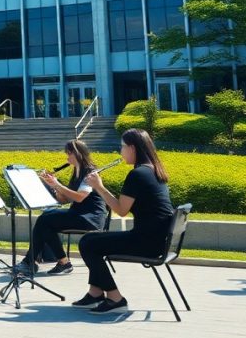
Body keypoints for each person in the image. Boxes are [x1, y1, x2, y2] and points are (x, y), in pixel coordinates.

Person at [75, 128, 174, 314]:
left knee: (88, 243)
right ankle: (96, 293)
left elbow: (121, 210)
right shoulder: (154, 171)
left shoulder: (137, 175)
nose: (120, 151)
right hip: (157, 240)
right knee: (94, 241)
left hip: (147, 242)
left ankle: (115, 299)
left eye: (122, 147)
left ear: (132, 148)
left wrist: (99, 187)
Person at [17, 139, 108, 276]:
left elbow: (79, 197)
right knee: (45, 219)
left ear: (77, 154)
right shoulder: (76, 171)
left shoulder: (89, 172)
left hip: (90, 217)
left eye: (69, 153)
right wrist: (53, 186)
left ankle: (32, 261)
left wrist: (57, 185)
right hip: (79, 213)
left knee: (45, 220)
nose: (67, 156)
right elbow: (65, 199)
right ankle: (61, 262)